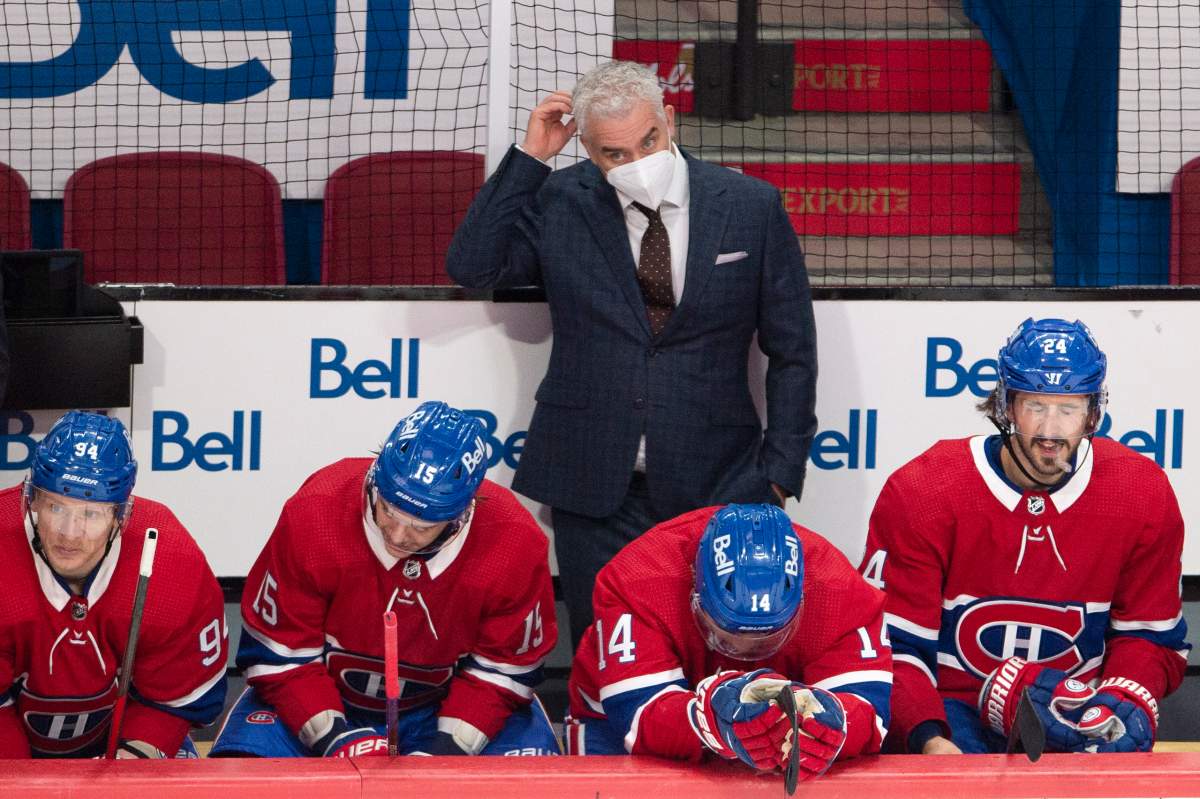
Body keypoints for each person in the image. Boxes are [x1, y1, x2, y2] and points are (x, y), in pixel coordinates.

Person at [447, 60, 818, 647]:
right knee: (604, 658)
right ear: (589, 152)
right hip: (592, 482)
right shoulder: (561, 200)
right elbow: (473, 265)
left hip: (718, 479)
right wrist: (531, 159)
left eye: (649, 139)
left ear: (670, 119)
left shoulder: (749, 205)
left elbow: (792, 349)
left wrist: (779, 474)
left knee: (714, 652)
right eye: (615, 153)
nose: (637, 162)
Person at [860, 317, 1190, 755]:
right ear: (1004, 406)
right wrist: (928, 739)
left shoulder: (1140, 493)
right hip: (952, 713)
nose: (1050, 431)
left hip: (1078, 713)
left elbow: (1148, 636)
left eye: (1068, 409)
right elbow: (893, 646)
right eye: (1035, 406)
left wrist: (1121, 702)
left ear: (1093, 412)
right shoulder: (923, 491)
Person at [210, 401, 559, 757]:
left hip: (446, 707)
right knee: (240, 773)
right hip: (324, 694)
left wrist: (448, 753)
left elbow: (503, 671)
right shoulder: (317, 510)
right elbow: (282, 652)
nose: (397, 535)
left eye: (422, 527)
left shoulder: (514, 541)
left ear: (463, 512)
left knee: (536, 784)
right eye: (388, 511)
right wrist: (333, 737)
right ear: (376, 476)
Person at [564, 503, 890, 783]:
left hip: (773, 739)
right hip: (613, 726)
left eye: (767, 637)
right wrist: (711, 721)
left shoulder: (840, 590)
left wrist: (833, 722)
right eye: (727, 634)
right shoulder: (637, 578)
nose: (746, 651)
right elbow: (637, 715)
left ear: (804, 599)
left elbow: (869, 712)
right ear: (695, 589)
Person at [0, 411, 227, 758]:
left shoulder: (171, 561)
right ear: (31, 498)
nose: (70, 533)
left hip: (123, 737)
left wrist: (129, 767)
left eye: (91, 513)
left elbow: (172, 701)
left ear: (122, 515)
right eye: (56, 508)